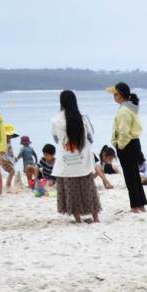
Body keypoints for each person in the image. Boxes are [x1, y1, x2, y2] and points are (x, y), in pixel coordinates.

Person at [51, 89, 101, 224]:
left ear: (61, 102)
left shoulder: (56, 120)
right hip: (83, 160)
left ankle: (78, 218)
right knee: (88, 189)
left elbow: (56, 139)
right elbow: (90, 138)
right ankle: (95, 217)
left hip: (66, 161)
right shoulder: (83, 119)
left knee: (71, 190)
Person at [108, 82, 147, 213]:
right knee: (134, 175)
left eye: (115, 94)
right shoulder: (129, 107)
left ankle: (135, 206)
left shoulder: (124, 110)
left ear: (120, 95)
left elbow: (124, 132)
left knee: (130, 176)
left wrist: (119, 145)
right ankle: (140, 204)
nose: (114, 96)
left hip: (127, 145)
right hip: (133, 143)